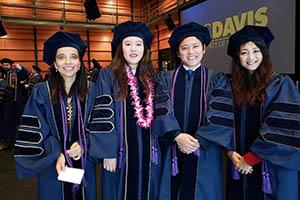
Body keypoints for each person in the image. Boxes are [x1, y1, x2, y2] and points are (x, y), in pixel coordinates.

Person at [154, 22, 233, 200]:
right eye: (185, 48)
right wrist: (176, 135)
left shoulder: (217, 79)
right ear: (178, 52)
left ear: (204, 49)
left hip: (204, 150)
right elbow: (161, 109)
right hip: (173, 147)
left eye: (196, 46)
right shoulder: (166, 78)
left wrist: (198, 141)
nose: (191, 52)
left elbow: (221, 114)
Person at [14, 31, 96, 200]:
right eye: (61, 57)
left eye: (73, 57)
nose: (68, 62)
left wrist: (84, 143)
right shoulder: (41, 91)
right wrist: (56, 152)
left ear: (80, 63)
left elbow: (98, 125)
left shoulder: (93, 90)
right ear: (54, 63)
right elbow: (35, 128)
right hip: (52, 162)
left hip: (83, 158)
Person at [226, 25, 300, 200]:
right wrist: (229, 151)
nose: (250, 57)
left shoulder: (281, 84)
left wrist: (251, 158)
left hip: (272, 167)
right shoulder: (234, 88)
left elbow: (283, 127)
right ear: (238, 57)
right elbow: (226, 122)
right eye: (244, 53)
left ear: (264, 53)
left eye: (256, 51)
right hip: (239, 163)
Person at [87, 21, 160, 200]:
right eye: (128, 44)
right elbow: (103, 114)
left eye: (138, 44)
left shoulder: (152, 76)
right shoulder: (108, 74)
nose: (133, 49)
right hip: (119, 153)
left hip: (149, 151)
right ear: (121, 48)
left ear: (145, 48)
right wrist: (108, 152)